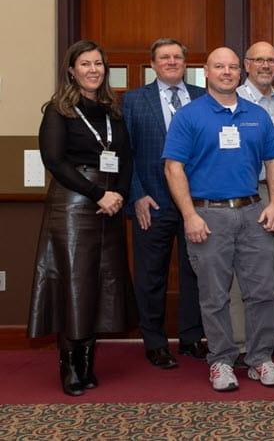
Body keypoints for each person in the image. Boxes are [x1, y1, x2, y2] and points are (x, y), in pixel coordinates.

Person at [163, 47, 274, 392]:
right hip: (207, 216)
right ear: (206, 72)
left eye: (233, 67)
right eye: (220, 66)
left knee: (262, 292)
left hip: (252, 213)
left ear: (240, 72)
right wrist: (189, 215)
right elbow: (173, 168)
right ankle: (220, 361)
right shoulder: (189, 116)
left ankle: (260, 359)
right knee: (214, 296)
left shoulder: (256, 115)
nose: (227, 72)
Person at [28, 40, 136, 396]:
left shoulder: (111, 111)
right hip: (74, 204)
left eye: (99, 64)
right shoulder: (58, 111)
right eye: (86, 64)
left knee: (102, 282)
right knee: (75, 282)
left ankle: (88, 361)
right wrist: (98, 194)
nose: (93, 70)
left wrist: (117, 194)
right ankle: (70, 366)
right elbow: (55, 162)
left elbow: (125, 157)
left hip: (110, 206)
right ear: (72, 70)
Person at [122, 38, 207, 370]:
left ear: (186, 64)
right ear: (153, 64)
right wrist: (136, 194)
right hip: (151, 202)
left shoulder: (202, 98)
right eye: (164, 57)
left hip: (197, 203)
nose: (171, 62)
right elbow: (124, 154)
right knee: (150, 277)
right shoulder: (133, 100)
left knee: (196, 273)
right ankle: (155, 343)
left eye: (177, 57)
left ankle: (190, 338)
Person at [230, 41, 274, 363]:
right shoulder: (234, 101)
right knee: (243, 269)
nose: (265, 66)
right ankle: (242, 343)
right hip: (244, 193)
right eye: (259, 60)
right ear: (246, 65)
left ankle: (265, 339)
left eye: (271, 60)